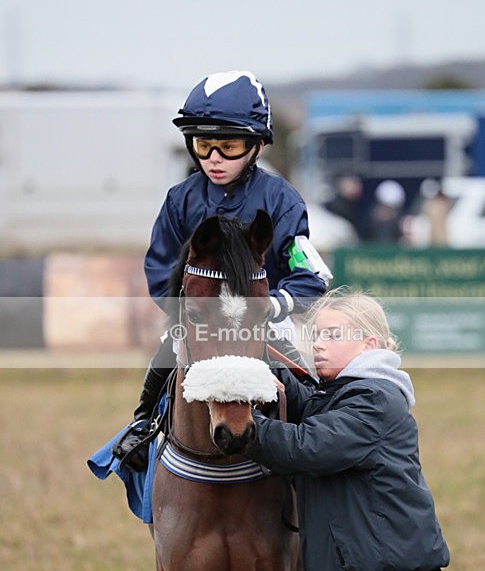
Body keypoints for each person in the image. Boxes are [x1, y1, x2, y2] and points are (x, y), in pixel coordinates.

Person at [247, 289, 456, 571]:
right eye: (316, 335)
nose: (318, 344)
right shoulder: (335, 397)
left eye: (333, 335)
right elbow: (304, 403)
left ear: (369, 345)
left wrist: (245, 427)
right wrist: (254, 350)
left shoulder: (375, 399)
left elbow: (309, 445)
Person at [114, 70, 330, 470]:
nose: (213, 158)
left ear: (257, 147)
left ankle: (318, 446)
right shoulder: (179, 200)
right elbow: (160, 266)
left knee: (308, 384)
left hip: (267, 320)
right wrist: (189, 313)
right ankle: (143, 425)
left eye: (228, 146)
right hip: (199, 321)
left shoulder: (282, 200)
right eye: (203, 145)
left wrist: (271, 306)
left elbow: (311, 276)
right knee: (167, 350)